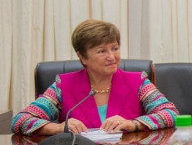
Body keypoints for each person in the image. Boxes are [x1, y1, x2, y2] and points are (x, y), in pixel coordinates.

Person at [11, 19, 179, 136]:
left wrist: (133, 124)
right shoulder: (63, 85)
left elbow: (170, 113)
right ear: (83, 57)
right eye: (101, 51)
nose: (112, 57)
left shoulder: (138, 81)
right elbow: (21, 121)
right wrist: (57, 128)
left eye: (115, 48)